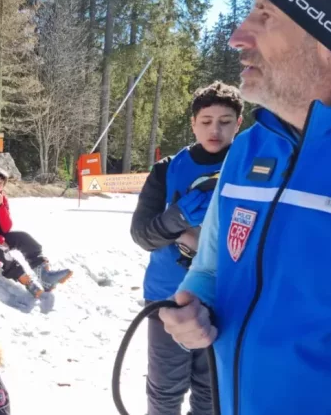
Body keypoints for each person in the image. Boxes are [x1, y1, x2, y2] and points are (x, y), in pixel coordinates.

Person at [158, 0, 331, 414]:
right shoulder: (247, 149)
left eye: (265, 15)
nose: (237, 36)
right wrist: (194, 305)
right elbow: (212, 269)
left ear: (330, 34)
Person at [130, 82, 242, 415]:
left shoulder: (249, 169)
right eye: (206, 121)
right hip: (167, 296)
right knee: (165, 391)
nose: (215, 130)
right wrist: (174, 220)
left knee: (212, 394)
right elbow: (140, 234)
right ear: (193, 123)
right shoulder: (167, 169)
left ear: (239, 123)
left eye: (225, 121)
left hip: (226, 297)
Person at [0, 167, 73, 298]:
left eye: (0, 184)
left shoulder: (1, 199)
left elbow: (6, 228)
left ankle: (45, 277)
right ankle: (26, 280)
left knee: (23, 238)